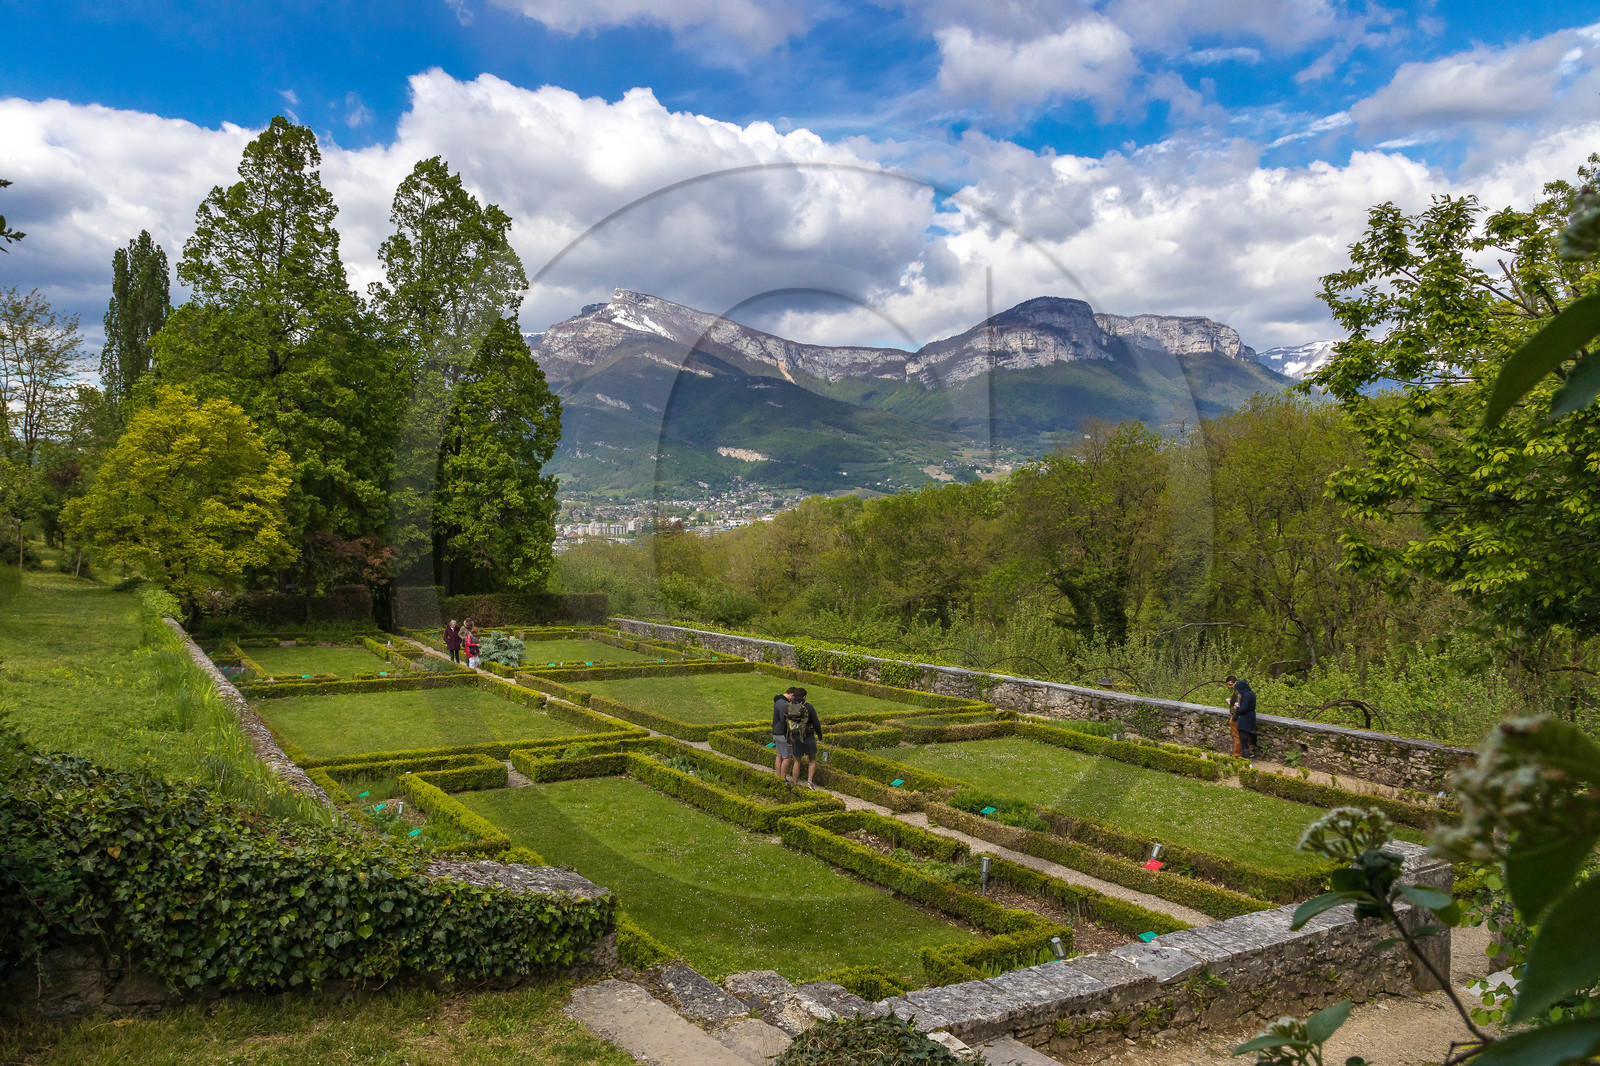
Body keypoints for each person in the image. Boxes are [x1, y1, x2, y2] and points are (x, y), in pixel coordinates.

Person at [781, 687, 825, 789]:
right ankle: (809, 782)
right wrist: (820, 736)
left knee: (797, 761)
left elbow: (785, 725)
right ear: (804, 696)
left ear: (794, 696)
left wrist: (787, 738)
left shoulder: (789, 707)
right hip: (808, 735)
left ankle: (795, 783)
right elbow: (816, 723)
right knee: (812, 760)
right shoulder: (808, 707)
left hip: (795, 737)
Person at [1226, 675, 1258, 759]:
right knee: (1243, 740)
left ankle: (1239, 757)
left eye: (1231, 684)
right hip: (1248, 720)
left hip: (1243, 720)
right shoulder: (1251, 694)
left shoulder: (1245, 695)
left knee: (1242, 740)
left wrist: (1236, 710)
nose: (1230, 687)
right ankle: (1244, 758)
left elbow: (1243, 708)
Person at [772, 687, 800, 779]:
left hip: (775, 732)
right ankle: (783, 779)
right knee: (787, 757)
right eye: (793, 697)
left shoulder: (778, 701)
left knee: (779, 755)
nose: (793, 700)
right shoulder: (784, 705)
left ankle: (778, 776)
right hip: (782, 734)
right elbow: (784, 721)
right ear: (791, 695)